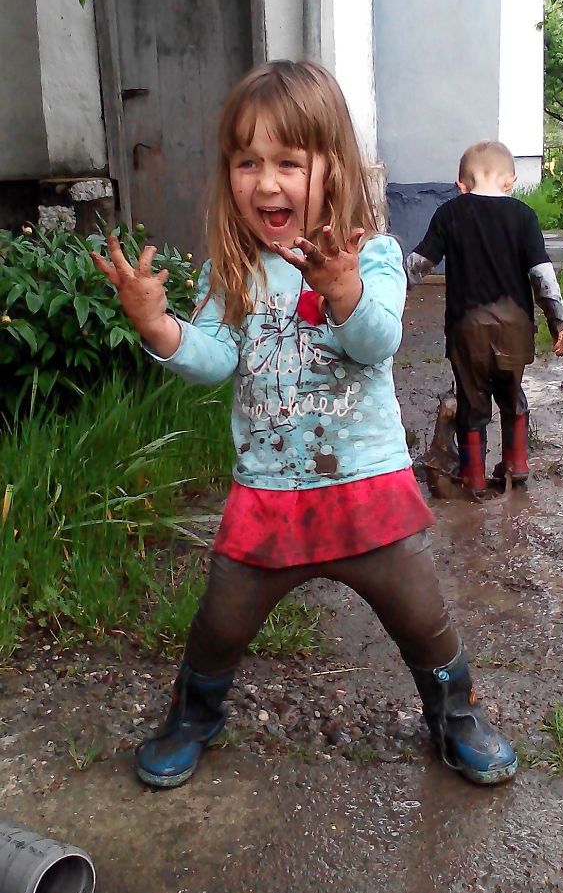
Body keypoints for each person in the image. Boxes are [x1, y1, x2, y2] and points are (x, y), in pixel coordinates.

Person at [92, 62, 517, 790]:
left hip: (366, 490)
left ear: (333, 167)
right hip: (269, 497)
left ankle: (455, 713)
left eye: (289, 161)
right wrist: (157, 325)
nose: (267, 183)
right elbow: (211, 360)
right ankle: (196, 713)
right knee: (221, 622)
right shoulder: (232, 273)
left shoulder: (374, 256)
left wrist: (342, 288)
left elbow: (378, 340)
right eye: (247, 161)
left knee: (421, 616)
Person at [406, 140, 563, 497]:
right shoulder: (524, 216)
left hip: (468, 330)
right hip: (515, 328)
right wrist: (557, 320)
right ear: (510, 180)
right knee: (512, 396)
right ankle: (516, 464)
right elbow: (543, 275)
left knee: (472, 401)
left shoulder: (449, 214)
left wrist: (387, 288)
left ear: (460, 184)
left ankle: (475, 479)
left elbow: (419, 264)